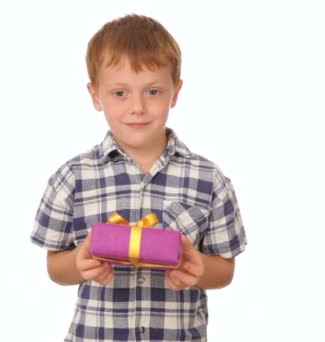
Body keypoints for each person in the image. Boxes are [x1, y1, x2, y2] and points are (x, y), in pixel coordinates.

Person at [31, 14, 247, 342]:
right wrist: (79, 261)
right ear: (95, 95)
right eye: (120, 93)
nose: (138, 107)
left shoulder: (210, 179)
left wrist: (199, 268)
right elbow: (54, 266)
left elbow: (224, 269)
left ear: (175, 92)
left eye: (153, 91)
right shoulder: (72, 178)